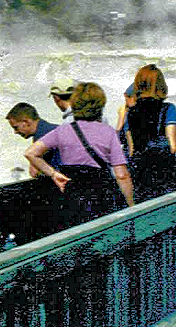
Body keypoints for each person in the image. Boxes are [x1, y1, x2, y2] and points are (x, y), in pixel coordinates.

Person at [25, 82, 135, 225]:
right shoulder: (107, 132)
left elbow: (31, 153)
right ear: (100, 105)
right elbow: (121, 174)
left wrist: (53, 174)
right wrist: (131, 206)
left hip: (74, 201)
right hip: (102, 198)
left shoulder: (62, 130)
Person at [126, 64, 176, 202]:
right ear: (161, 84)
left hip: (140, 174)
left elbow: (131, 150)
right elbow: (173, 146)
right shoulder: (168, 109)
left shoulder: (130, 112)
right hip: (164, 173)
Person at [6, 102, 59, 176]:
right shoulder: (56, 128)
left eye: (16, 127)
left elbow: (34, 173)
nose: (15, 132)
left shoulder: (42, 137)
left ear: (26, 122)